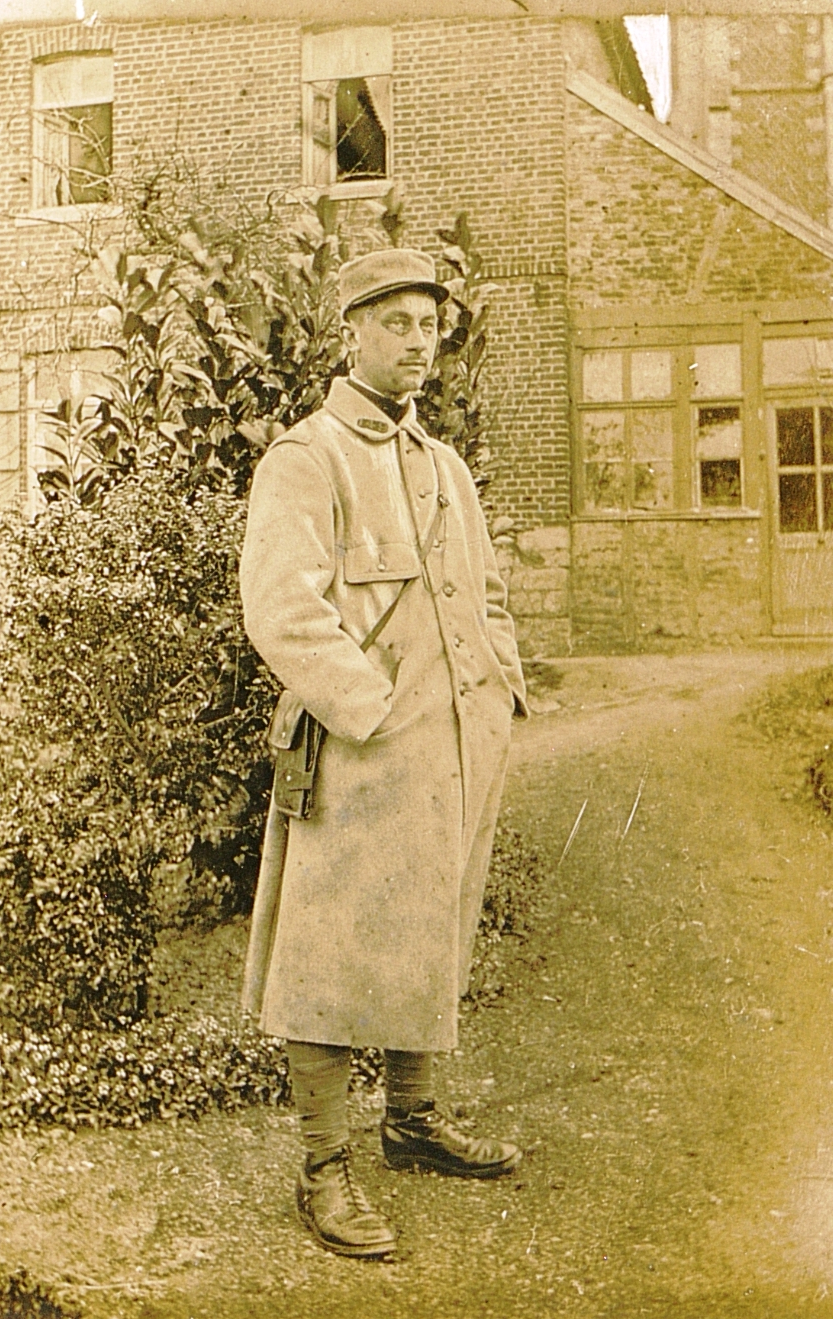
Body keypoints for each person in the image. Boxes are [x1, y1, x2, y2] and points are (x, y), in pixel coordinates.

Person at [238, 247, 529, 1261]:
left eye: (430, 325)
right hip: (360, 747)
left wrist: (502, 684)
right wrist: (374, 709)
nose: (418, 342)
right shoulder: (307, 456)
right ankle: (324, 1163)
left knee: (433, 918)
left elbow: (485, 592)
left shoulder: (441, 464)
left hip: (460, 738)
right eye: (397, 322)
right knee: (329, 945)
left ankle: (411, 1118)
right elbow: (280, 608)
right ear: (350, 329)